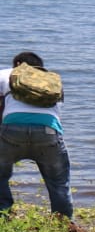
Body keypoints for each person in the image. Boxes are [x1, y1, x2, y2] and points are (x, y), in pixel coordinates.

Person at [0, 51, 73, 219]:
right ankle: (62, 225)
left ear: (18, 64)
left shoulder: (6, 74)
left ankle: (3, 216)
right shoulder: (51, 82)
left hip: (12, 130)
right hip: (48, 132)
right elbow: (56, 112)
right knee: (59, 183)